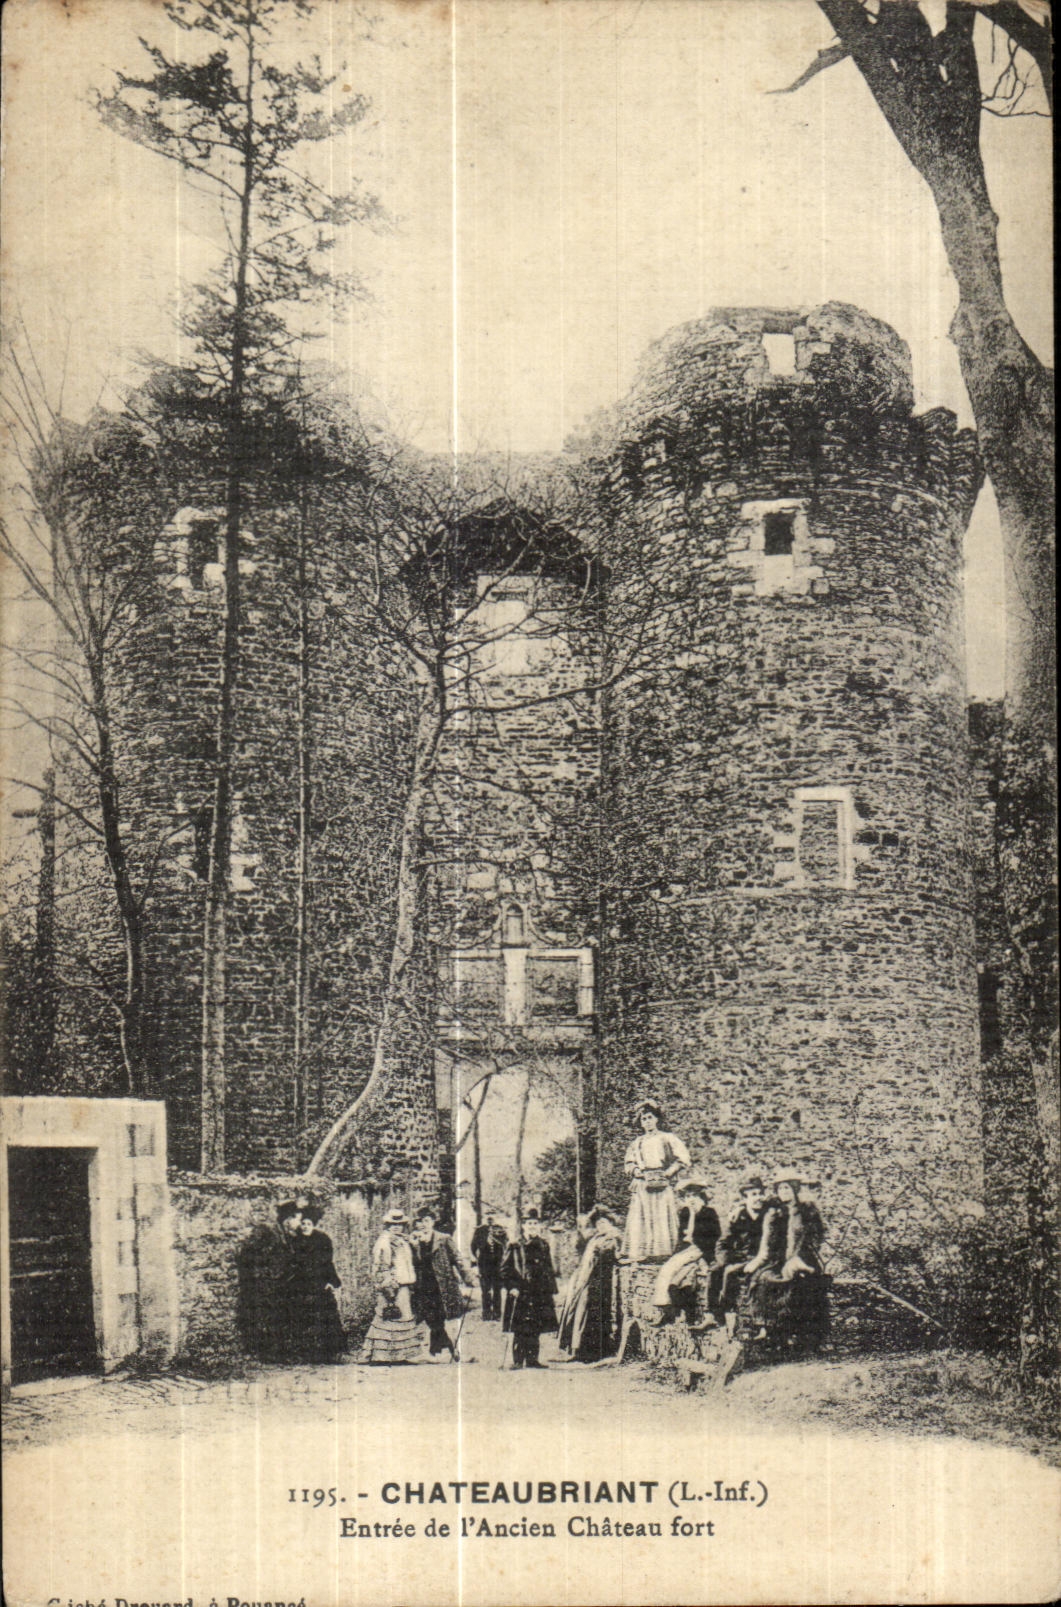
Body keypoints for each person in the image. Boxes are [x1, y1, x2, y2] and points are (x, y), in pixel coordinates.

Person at [746, 1169, 828, 1348]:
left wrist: (799, 1259)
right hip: (779, 1261)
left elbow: (817, 1238)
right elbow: (766, 1242)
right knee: (764, 1278)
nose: (784, 1192)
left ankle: (797, 1333)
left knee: (797, 1282)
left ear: (795, 1190)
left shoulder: (808, 1211)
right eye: (780, 1189)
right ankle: (768, 1328)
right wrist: (759, 1260)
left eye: (787, 1188)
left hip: (805, 1259)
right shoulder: (775, 1213)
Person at [620, 1100, 691, 1262]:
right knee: (641, 1216)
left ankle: (661, 1252)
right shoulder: (637, 1142)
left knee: (661, 1215)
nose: (647, 1121)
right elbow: (629, 1163)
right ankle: (641, 1253)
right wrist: (637, 1172)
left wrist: (668, 1173)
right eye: (644, 1119)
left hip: (661, 1182)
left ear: (657, 1119)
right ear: (641, 1122)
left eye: (650, 1118)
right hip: (643, 1183)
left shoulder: (667, 1138)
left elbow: (683, 1158)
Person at [236, 1199, 304, 1361]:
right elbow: (248, 1253)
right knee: (264, 1316)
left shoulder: (285, 1235)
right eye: (298, 1220)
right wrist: (262, 1275)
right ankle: (262, 1353)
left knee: (277, 1317)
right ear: (288, 1219)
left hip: (278, 1283)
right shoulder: (268, 1231)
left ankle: (275, 1353)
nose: (299, 1224)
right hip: (264, 1284)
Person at [651, 1174, 722, 1322]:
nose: (691, 1199)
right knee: (678, 1275)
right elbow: (681, 1239)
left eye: (694, 1195)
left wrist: (701, 1254)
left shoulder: (709, 1213)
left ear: (701, 1197)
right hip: (687, 1252)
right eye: (688, 1196)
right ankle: (667, 1309)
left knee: (671, 1268)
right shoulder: (685, 1213)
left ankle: (672, 1310)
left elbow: (714, 1237)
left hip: (702, 1250)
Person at [557, 1205, 623, 1363]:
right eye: (598, 1224)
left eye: (604, 1223)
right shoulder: (595, 1238)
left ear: (611, 1223)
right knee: (579, 1312)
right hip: (587, 1279)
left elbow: (613, 1255)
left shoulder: (613, 1238)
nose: (601, 1226)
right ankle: (578, 1350)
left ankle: (593, 1353)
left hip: (601, 1281)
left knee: (593, 1314)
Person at [706, 1174, 770, 1333]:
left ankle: (731, 1317)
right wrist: (723, 1260)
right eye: (753, 1194)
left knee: (731, 1273)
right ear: (745, 1198)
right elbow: (723, 1242)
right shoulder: (739, 1216)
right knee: (715, 1270)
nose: (758, 1198)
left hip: (761, 1259)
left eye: (760, 1193)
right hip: (740, 1257)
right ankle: (712, 1314)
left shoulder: (769, 1215)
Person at [412, 1206, 472, 1361]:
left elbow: (457, 1259)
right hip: (423, 1286)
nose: (423, 1224)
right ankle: (449, 1349)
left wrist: (468, 1278)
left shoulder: (443, 1239)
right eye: (420, 1221)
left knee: (438, 1318)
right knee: (431, 1318)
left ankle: (436, 1352)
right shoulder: (414, 1241)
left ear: (433, 1222)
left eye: (427, 1221)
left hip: (442, 1285)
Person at [500, 1208, 558, 1368]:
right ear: (524, 1226)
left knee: (536, 1325)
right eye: (529, 1223)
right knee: (520, 1326)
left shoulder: (543, 1244)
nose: (532, 1226)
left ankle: (533, 1360)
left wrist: (550, 1290)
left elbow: (548, 1268)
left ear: (539, 1226)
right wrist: (512, 1287)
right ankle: (518, 1360)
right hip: (520, 1291)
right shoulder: (515, 1245)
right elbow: (505, 1269)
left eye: (535, 1223)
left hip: (539, 1292)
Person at [362, 1207, 420, 1364]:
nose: (396, 1227)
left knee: (401, 1318)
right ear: (387, 1225)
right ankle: (380, 1356)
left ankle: (399, 1355)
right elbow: (381, 1265)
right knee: (388, 1317)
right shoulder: (385, 1241)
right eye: (393, 1224)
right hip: (392, 1286)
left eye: (400, 1224)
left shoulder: (402, 1240)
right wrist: (388, 1285)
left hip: (403, 1284)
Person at [294, 1200, 347, 1363]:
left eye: (308, 1224)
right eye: (303, 1223)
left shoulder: (322, 1240)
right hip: (301, 1283)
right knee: (303, 1317)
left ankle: (329, 1353)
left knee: (325, 1316)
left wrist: (331, 1281)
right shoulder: (295, 1240)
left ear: (314, 1225)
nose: (305, 1227)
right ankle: (306, 1353)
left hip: (320, 1283)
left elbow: (327, 1262)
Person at [470, 1209, 507, 1321]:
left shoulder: (501, 1230)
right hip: (484, 1264)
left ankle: (497, 1313)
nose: (490, 1217)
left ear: (496, 1216)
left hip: (497, 1264)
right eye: (488, 1214)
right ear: (485, 1216)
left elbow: (505, 1246)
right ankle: (486, 1313)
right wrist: (474, 1263)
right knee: (485, 1290)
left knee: (497, 1289)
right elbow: (473, 1247)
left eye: (492, 1214)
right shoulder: (480, 1230)